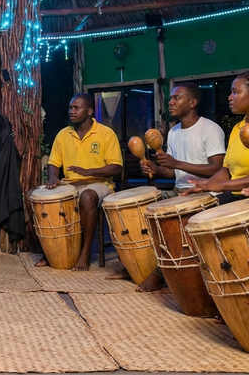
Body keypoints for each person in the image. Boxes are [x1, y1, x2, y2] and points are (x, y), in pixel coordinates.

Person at [133, 83, 226, 291]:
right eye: (171, 98)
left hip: (206, 192)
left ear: (192, 103)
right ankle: (138, 264)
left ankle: (159, 274)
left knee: (169, 215)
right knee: (143, 207)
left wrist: (176, 163)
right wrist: (156, 169)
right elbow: (173, 172)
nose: (170, 102)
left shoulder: (210, 129)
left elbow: (217, 168)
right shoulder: (174, 132)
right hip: (179, 191)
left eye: (177, 98)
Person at [37, 93, 123, 272]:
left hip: (99, 184)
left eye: (77, 108)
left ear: (90, 111)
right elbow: (54, 163)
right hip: (71, 184)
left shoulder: (106, 134)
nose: (72, 111)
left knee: (87, 196)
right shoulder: (63, 134)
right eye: (70, 108)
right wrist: (53, 178)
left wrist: (88, 172)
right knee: (38, 197)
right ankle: (51, 251)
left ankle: (85, 251)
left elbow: (116, 168)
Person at [185, 71, 249, 202]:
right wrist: (206, 184)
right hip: (236, 196)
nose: (229, 97)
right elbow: (226, 169)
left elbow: (223, 184)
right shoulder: (237, 129)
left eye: (235, 92)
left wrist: (221, 186)